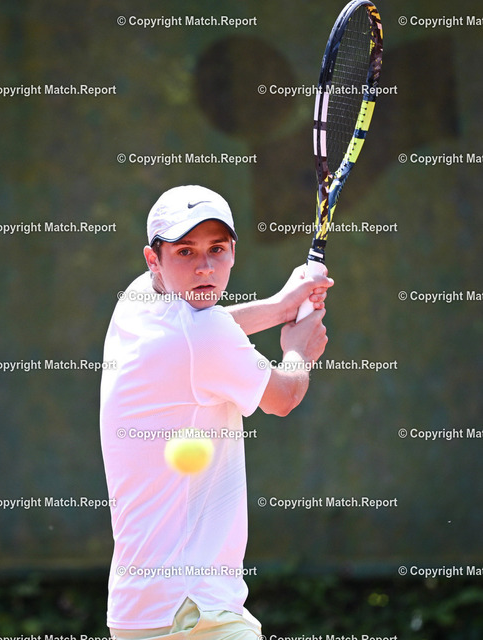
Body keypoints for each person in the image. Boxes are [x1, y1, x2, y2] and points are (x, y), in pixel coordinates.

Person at [100, 185, 333, 639]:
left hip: (142, 613)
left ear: (233, 253)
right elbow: (283, 397)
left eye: (217, 249)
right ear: (154, 259)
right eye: (185, 251)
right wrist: (298, 350)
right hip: (192, 610)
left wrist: (280, 307)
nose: (204, 266)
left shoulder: (138, 300)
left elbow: (208, 329)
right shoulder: (202, 336)